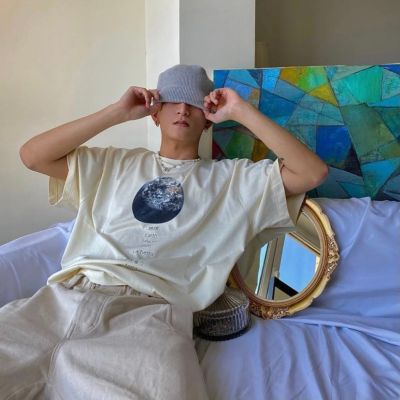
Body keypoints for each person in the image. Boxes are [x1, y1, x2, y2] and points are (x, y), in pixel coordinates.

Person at [1, 64, 328, 399]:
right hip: (63, 300)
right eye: (173, 100)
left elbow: (311, 173)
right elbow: (32, 156)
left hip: (151, 317)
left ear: (208, 119)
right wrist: (116, 112)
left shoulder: (233, 181)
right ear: (155, 112)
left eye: (195, 103)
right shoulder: (113, 164)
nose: (183, 109)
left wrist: (240, 110)